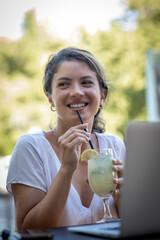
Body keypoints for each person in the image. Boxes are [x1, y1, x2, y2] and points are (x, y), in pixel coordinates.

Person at [6, 47, 125, 231]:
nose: (76, 92)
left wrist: (122, 196)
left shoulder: (115, 145)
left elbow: (134, 225)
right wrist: (66, 170)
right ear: (50, 98)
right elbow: (27, 230)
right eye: (63, 84)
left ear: (102, 95)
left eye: (86, 82)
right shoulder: (30, 147)